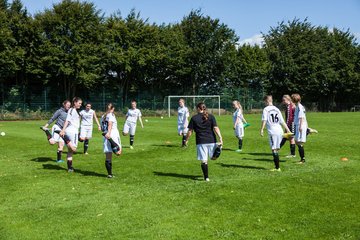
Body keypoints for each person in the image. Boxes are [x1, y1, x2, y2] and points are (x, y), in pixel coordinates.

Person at [185, 102, 223, 181]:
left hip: (201, 141)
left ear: (199, 108)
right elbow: (215, 128)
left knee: (204, 161)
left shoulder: (194, 118)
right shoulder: (211, 116)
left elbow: (190, 131)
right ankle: (218, 148)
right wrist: (220, 137)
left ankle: (206, 178)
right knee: (213, 158)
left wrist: (186, 140)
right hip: (212, 140)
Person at [260, 95, 291, 171]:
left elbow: (264, 120)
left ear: (266, 101)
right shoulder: (277, 109)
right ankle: (277, 167)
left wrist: (262, 129)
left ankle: (277, 168)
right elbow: (282, 121)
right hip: (279, 130)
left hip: (272, 131)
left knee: (274, 149)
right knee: (276, 148)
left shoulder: (266, 109)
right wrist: (288, 130)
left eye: (265, 102)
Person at [60, 97, 82, 172]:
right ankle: (65, 138)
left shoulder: (74, 110)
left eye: (81, 103)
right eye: (79, 103)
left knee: (70, 151)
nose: (80, 105)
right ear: (75, 103)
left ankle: (70, 168)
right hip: (72, 131)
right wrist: (63, 130)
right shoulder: (72, 110)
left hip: (72, 131)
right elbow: (67, 120)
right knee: (74, 149)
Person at [101, 103, 121, 178]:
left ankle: (109, 174)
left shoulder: (103, 116)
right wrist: (109, 135)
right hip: (113, 135)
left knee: (108, 156)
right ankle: (110, 174)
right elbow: (110, 124)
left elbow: (103, 128)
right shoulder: (111, 115)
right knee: (118, 152)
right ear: (113, 108)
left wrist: (106, 134)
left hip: (105, 136)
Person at [291, 93, 307, 164]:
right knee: (297, 141)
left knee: (299, 142)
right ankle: (302, 158)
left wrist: (300, 126)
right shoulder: (298, 106)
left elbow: (301, 117)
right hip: (299, 125)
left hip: (300, 126)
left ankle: (302, 159)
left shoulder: (300, 107)